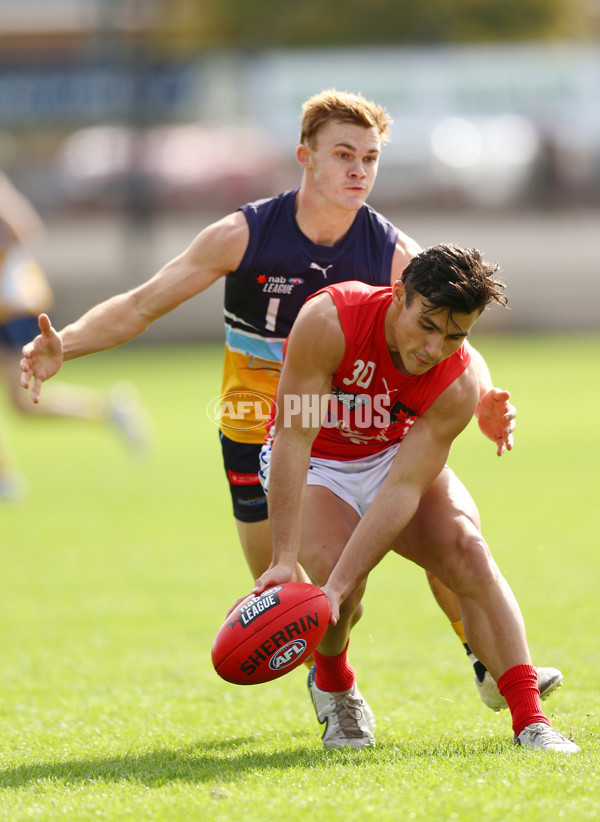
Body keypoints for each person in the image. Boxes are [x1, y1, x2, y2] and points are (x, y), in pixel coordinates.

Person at [20, 89, 559, 710]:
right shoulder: (245, 235)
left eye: (371, 158)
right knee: (287, 586)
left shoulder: (393, 254)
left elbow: (449, 337)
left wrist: (487, 396)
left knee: (443, 540)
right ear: (305, 156)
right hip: (258, 429)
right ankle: (330, 677)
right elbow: (144, 302)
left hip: (358, 431)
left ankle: (487, 664)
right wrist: (71, 344)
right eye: (343, 154)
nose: (359, 170)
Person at [253, 244, 579, 753]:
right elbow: (294, 438)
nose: (434, 348)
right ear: (398, 294)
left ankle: (530, 720)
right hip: (317, 459)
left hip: (389, 458)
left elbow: (402, 488)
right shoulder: (329, 319)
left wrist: (335, 587)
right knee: (341, 589)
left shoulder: (458, 379)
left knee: (467, 550)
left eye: (455, 335)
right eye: (426, 325)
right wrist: (286, 561)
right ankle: (335, 686)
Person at [0, 170, 150, 498]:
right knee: (23, 407)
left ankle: (5, 479)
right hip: (9, 306)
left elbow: (25, 231)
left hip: (13, 305)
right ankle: (108, 411)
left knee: (24, 404)